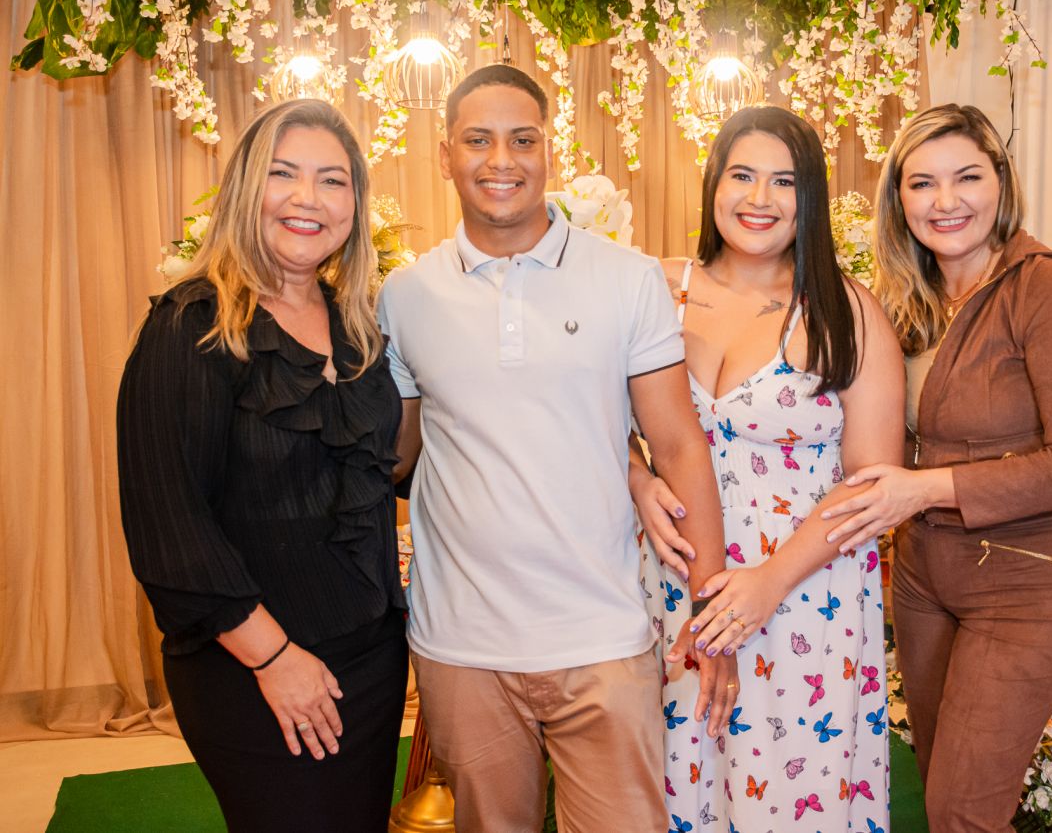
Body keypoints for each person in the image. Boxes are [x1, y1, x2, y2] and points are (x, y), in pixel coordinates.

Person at [375, 64, 724, 833]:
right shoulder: (405, 295)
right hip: (463, 644)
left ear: (549, 150)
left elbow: (677, 444)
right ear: (444, 155)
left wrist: (708, 602)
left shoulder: (627, 279)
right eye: (478, 140)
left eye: (522, 140)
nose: (501, 159)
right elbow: (395, 457)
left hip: (601, 635)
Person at [818, 104, 1052, 832]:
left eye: (967, 178)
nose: (945, 201)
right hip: (927, 577)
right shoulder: (909, 297)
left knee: (961, 810)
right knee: (942, 785)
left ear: (1001, 183)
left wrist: (923, 489)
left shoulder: (1045, 287)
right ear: (899, 199)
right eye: (922, 183)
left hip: (1033, 582)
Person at [117, 99, 408, 832]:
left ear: (355, 205)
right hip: (252, 669)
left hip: (371, 662)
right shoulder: (192, 325)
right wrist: (275, 659)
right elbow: (169, 529)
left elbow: (384, 474)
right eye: (284, 174)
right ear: (247, 188)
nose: (308, 198)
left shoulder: (358, 328)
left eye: (332, 180)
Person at [632, 106, 903, 832]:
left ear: (809, 196)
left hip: (801, 595)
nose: (760, 198)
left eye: (784, 182)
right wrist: (637, 479)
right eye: (742, 175)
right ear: (712, 185)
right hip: (670, 582)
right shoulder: (655, 287)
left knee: (784, 795)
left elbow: (872, 484)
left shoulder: (847, 311)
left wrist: (768, 584)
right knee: (671, 780)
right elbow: (589, 415)